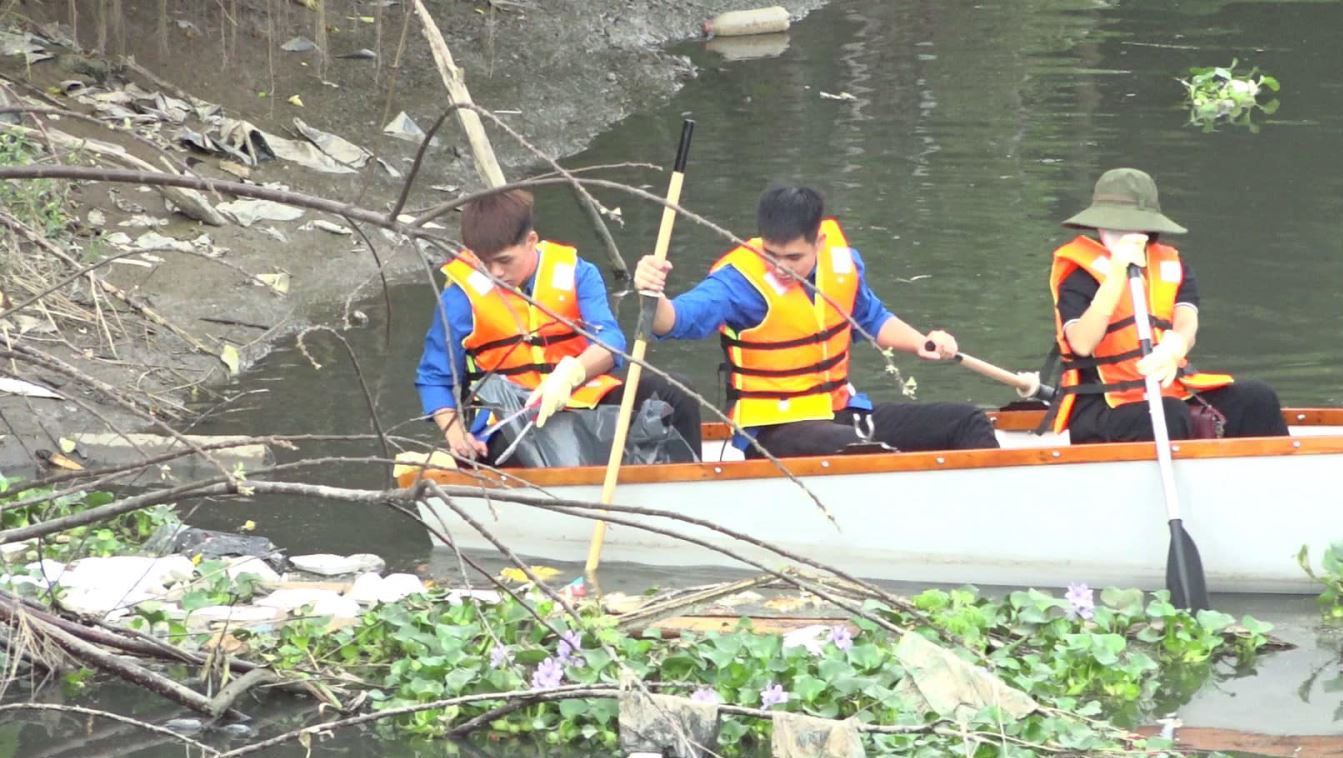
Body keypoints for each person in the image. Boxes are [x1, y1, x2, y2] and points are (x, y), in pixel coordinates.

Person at [631, 185, 998, 459]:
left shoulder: (843, 264)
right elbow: (673, 322)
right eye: (772, 255)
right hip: (774, 432)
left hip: (841, 412)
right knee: (857, 449)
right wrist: (653, 295)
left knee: (968, 421)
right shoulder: (737, 283)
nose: (781, 267)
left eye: (794, 257)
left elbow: (870, 317)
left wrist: (921, 342)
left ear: (819, 242)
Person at [415, 189, 701, 462]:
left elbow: (611, 341)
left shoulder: (578, 273)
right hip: (509, 423)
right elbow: (434, 376)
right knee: (526, 449)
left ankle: (687, 483)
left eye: (504, 260)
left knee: (676, 392)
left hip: (582, 400)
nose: (495, 273)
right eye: (483, 263)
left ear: (531, 240)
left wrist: (572, 374)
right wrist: (457, 436)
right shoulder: (460, 297)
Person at [1045, 168, 1289, 443]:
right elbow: (1082, 343)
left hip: (1168, 391)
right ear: (1099, 225)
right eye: (1115, 224)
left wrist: (1175, 347)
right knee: (1169, 415)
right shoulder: (1078, 277)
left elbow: (1186, 322)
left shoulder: (1172, 266)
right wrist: (1115, 276)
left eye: (1133, 225)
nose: (1124, 232)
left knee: (1257, 397)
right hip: (1102, 406)